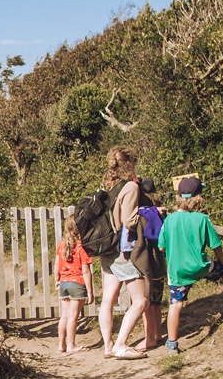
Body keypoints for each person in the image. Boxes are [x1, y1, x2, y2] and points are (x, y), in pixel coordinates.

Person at [159, 174, 223, 355]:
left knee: (175, 304)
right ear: (198, 197)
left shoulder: (169, 220)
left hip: (178, 271)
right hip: (201, 266)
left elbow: (161, 247)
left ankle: (172, 344)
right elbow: (216, 245)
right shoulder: (202, 219)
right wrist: (222, 260)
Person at [95, 146, 144, 359]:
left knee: (108, 299)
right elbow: (129, 221)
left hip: (105, 248)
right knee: (140, 300)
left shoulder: (106, 185)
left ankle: (108, 345)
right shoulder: (130, 188)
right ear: (130, 163)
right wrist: (146, 215)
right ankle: (121, 344)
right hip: (122, 251)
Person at [131, 178, 167, 352]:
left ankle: (150, 337)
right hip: (160, 261)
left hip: (149, 263)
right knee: (157, 302)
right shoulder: (161, 212)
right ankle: (158, 333)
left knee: (148, 303)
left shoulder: (144, 214)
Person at [53, 216, 95, 354]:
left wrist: (57, 279)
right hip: (77, 283)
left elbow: (57, 264)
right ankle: (71, 345)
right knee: (73, 316)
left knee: (64, 316)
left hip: (64, 283)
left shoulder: (62, 245)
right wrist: (90, 291)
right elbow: (86, 271)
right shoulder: (82, 247)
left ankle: (61, 344)